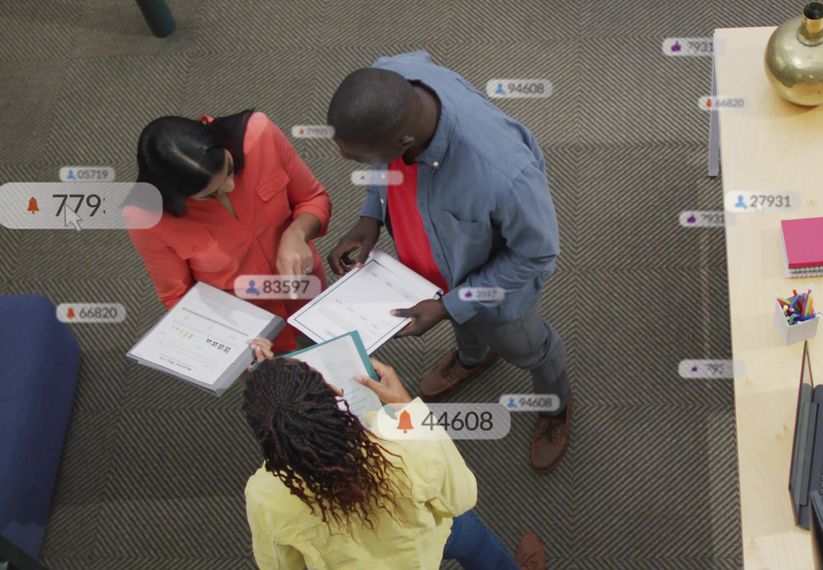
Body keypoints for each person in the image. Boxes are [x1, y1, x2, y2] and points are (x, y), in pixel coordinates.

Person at [325, 51, 571, 471]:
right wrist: (371, 215)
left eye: (363, 159)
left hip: (496, 296)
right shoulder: (395, 77)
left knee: (531, 349)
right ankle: (474, 358)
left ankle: (556, 407)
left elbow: (535, 252)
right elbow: (385, 170)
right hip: (427, 272)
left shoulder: (503, 175)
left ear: (403, 142)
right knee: (462, 326)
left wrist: (447, 305)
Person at [242, 339, 546, 569]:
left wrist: (268, 384)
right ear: (336, 393)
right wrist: (404, 405)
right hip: (426, 543)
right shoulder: (404, 438)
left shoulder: (263, 494)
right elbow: (461, 498)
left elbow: (279, 565)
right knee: (475, 540)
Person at [127, 110, 331, 352]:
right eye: (211, 194)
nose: (231, 186)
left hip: (309, 296)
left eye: (230, 168)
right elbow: (177, 296)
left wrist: (296, 233)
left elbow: (313, 199)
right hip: (248, 333)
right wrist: (227, 343)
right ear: (176, 196)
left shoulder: (259, 135)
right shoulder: (146, 218)